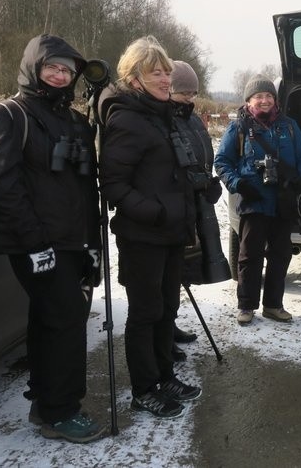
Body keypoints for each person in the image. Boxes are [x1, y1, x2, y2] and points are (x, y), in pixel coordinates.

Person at [0, 34, 105, 442]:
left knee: (50, 319)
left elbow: (85, 188)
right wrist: (35, 244)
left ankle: (44, 400)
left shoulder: (74, 121)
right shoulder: (9, 115)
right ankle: (61, 412)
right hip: (33, 241)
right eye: (53, 67)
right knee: (66, 319)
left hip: (70, 240)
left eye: (67, 70)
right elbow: (2, 183)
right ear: (34, 67)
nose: (60, 75)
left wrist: (93, 244)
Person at [98, 36, 201, 419]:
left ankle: (164, 375)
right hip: (144, 236)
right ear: (135, 78)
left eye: (166, 72)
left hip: (171, 233)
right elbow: (113, 184)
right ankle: (144, 388)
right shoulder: (126, 119)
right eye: (155, 72)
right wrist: (155, 212)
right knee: (145, 313)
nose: (165, 79)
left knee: (167, 308)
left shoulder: (159, 114)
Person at [214, 74, 301, 325]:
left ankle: (273, 305)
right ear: (249, 101)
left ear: (275, 99)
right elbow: (222, 162)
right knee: (250, 256)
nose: (264, 100)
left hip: (283, 202)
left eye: (269, 96)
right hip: (253, 202)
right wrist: (239, 185)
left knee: (280, 255)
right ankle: (246, 306)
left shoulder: (289, 126)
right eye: (258, 96)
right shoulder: (237, 128)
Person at [169, 60, 228, 361]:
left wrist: (208, 181)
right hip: (176, 204)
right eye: (184, 93)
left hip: (196, 204)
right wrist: (198, 181)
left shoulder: (192, 119)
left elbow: (202, 153)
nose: (190, 98)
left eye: (193, 92)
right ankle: (164, 331)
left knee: (185, 268)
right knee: (171, 270)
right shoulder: (165, 119)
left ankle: (171, 324)